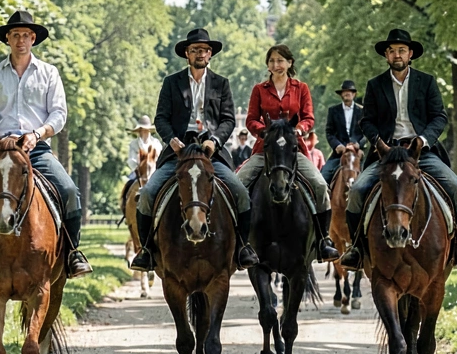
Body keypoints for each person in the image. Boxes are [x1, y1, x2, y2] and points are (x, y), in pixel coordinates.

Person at [0, 10, 93, 279]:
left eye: (25, 35)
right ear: (8, 39)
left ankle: (72, 254)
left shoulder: (49, 73)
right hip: (3, 150)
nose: (20, 40)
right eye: (15, 35)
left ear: (33, 38)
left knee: (69, 190)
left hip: (36, 149)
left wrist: (38, 134)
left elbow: (59, 113)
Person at [338, 28, 457, 273]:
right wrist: (378, 143)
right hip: (387, 154)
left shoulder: (426, 82)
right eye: (392, 51)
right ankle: (356, 249)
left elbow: (439, 116)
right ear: (386, 55)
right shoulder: (375, 85)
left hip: (420, 153)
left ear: (410, 53)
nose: (397, 55)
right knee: (357, 191)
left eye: (401, 50)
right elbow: (367, 121)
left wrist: (423, 139)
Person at [130, 28, 260, 272]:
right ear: (187, 55)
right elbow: (161, 118)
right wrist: (172, 140)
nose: (200, 53)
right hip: (178, 153)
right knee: (147, 195)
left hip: (211, 153)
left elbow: (228, 120)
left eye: (204, 50)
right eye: (194, 50)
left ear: (210, 54)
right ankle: (146, 250)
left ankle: (243, 247)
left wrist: (215, 141)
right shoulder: (172, 82)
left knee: (241, 193)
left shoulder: (222, 84)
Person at [235, 44, 340, 262]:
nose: (276, 65)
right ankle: (239, 242)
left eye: (281, 60)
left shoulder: (301, 88)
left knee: (320, 186)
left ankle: (323, 240)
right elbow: (251, 119)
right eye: (272, 61)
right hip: (266, 150)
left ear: (290, 63)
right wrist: (263, 131)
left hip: (294, 150)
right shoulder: (259, 89)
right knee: (237, 184)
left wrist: (300, 129)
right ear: (268, 65)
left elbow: (309, 117)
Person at [321, 79, 364, 184]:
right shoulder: (333, 111)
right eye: (345, 91)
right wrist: (337, 145)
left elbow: (367, 133)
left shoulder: (363, 111)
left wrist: (359, 144)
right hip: (339, 154)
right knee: (323, 177)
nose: (347, 93)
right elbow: (329, 132)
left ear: (354, 94)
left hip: (359, 153)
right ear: (341, 94)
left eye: (350, 91)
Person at [126, 116, 163, 181]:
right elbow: (131, 160)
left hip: (155, 172)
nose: (143, 132)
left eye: (145, 130)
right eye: (141, 130)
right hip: (137, 172)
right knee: (129, 184)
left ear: (149, 130)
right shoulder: (133, 144)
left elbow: (160, 158)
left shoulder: (156, 143)